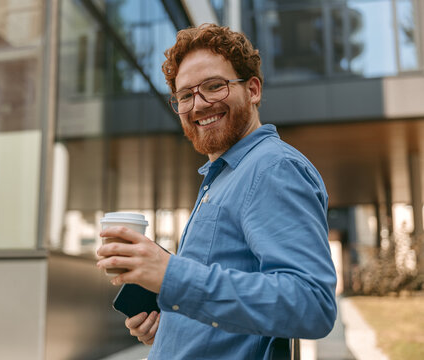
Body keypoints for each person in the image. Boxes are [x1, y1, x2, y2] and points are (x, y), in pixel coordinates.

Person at [97, 23, 337, 359]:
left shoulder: (272, 168)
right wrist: (175, 320)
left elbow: (311, 304)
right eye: (185, 95)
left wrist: (170, 275)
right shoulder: (224, 175)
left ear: (252, 90)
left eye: (214, 86)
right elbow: (224, 299)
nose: (198, 105)